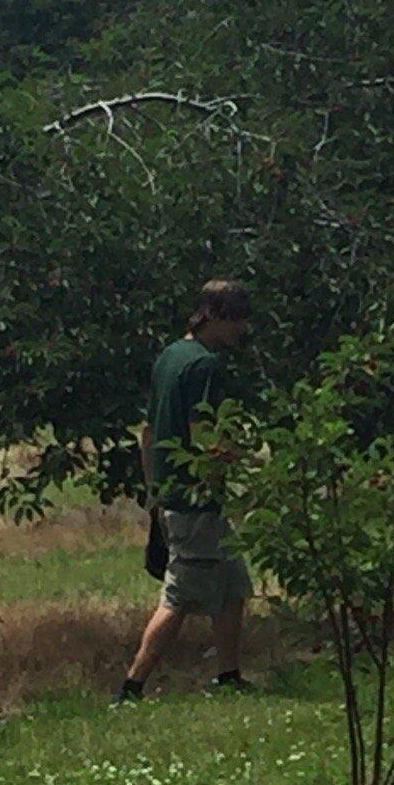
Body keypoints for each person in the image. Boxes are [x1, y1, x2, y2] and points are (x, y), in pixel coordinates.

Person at [112, 279, 255, 705]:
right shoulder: (206, 366)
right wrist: (242, 463)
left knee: (233, 583)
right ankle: (132, 686)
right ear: (219, 316)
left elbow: (150, 431)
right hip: (195, 498)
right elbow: (203, 432)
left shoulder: (169, 356)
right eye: (238, 321)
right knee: (179, 596)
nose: (241, 332)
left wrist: (153, 488)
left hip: (174, 491)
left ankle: (228, 675)